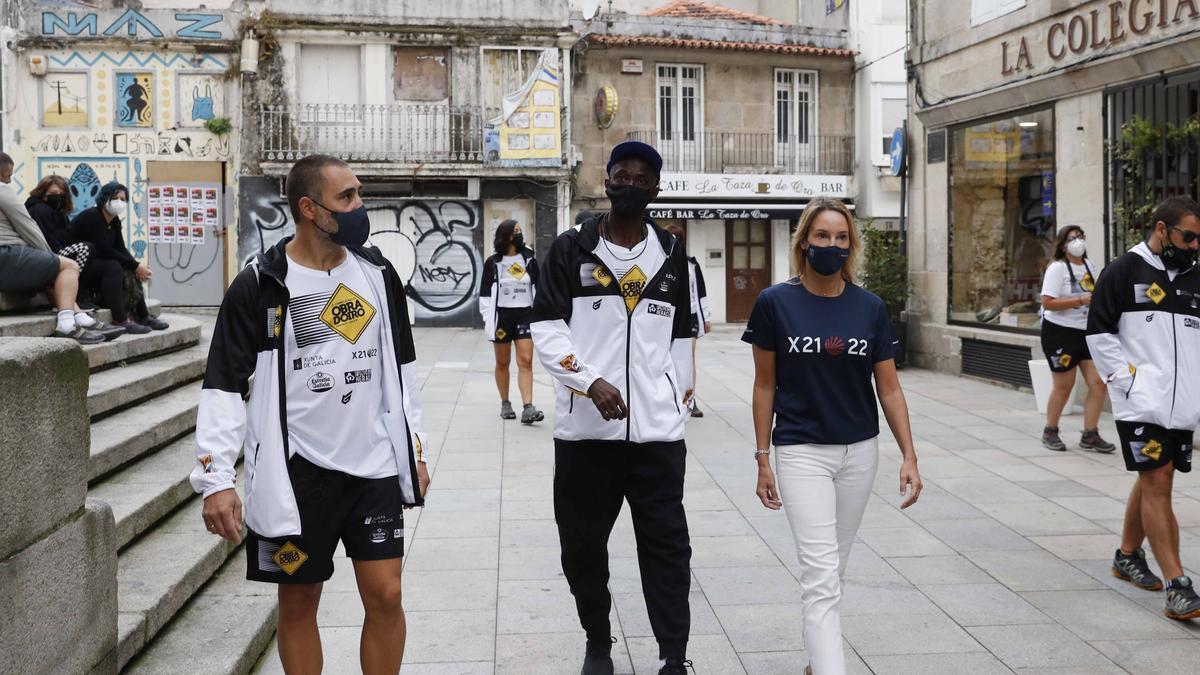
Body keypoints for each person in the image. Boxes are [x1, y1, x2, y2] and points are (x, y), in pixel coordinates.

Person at [191, 154, 433, 674]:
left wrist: (415, 450)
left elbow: (403, 370)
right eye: (346, 197)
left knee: (387, 595)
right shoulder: (261, 284)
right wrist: (216, 479)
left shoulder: (378, 274)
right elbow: (223, 385)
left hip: (373, 467)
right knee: (299, 604)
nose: (359, 207)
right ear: (308, 208)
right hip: (297, 475)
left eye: (358, 194)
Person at [532, 140, 695, 675]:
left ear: (656, 189)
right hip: (585, 439)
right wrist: (588, 381)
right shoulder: (569, 249)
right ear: (606, 182)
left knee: (668, 551)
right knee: (582, 551)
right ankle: (597, 643)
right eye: (620, 174)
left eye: (642, 177)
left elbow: (680, 336)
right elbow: (547, 330)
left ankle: (673, 655)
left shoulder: (673, 255)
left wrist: (675, 400)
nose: (630, 183)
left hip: (656, 441)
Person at [744, 197, 922, 675]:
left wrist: (909, 455)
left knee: (834, 569)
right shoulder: (775, 303)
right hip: (801, 452)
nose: (832, 245)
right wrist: (763, 458)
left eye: (841, 237)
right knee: (821, 576)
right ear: (804, 241)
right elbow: (764, 385)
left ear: (851, 244)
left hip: (859, 453)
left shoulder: (869, 308)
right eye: (822, 236)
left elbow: (889, 386)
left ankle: (814, 662)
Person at [1087, 196, 1200, 621]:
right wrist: (1128, 383)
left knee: (1155, 475)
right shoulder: (1122, 271)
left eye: (1198, 240)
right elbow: (1098, 334)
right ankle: (1178, 585)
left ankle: (1127, 554)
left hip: (1182, 405)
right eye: (1187, 237)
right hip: (1140, 404)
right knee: (1158, 480)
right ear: (1160, 229)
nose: (1193, 246)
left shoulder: (1194, 278)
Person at [0, 152, 106, 344]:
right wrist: (48, 258)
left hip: (10, 259)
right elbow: (28, 227)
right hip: (8, 254)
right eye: (7, 174)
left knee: (58, 267)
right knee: (68, 266)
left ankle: (79, 316)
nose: (9, 180)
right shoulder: (3, 190)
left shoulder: (58, 213)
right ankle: (67, 325)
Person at [1039, 225, 1113, 453]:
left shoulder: (1089, 265)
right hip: (1060, 331)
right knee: (1064, 385)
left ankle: (1090, 433)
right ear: (1063, 244)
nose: (1078, 241)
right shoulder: (1057, 268)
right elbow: (1047, 302)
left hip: (1086, 331)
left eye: (1081, 236)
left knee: (1098, 383)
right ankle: (1050, 430)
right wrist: (1080, 300)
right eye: (1073, 238)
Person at [26, 175, 125, 340]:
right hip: (47, 257)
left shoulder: (59, 214)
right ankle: (74, 310)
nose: (58, 197)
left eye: (62, 194)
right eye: (54, 193)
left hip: (57, 256)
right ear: (43, 193)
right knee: (85, 249)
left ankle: (85, 313)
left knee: (110, 264)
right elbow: (45, 240)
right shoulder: (38, 210)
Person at [69, 181, 168, 334]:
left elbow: (120, 248)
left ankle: (143, 315)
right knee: (114, 265)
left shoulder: (114, 221)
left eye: (123, 199)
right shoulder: (92, 216)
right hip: (76, 268)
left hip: (96, 266)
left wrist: (137, 266)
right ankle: (120, 319)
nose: (120, 202)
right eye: (116, 198)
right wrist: (135, 265)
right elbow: (104, 250)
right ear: (104, 198)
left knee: (128, 266)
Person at [479, 218, 543, 424]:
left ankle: (528, 407)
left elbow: (539, 287)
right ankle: (505, 402)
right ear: (505, 235)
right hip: (502, 318)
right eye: (515, 230)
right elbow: (485, 295)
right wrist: (488, 318)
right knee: (502, 362)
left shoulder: (529, 259)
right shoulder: (493, 263)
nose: (519, 233)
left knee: (525, 361)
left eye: (520, 230)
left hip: (525, 315)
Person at [664, 223, 712, 418]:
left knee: (688, 357)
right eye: (671, 238)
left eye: (679, 238)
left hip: (689, 315)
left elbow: (700, 291)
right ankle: (667, 396)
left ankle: (690, 400)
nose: (675, 242)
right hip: (666, 315)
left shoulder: (691, 264)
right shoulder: (658, 262)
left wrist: (706, 317)